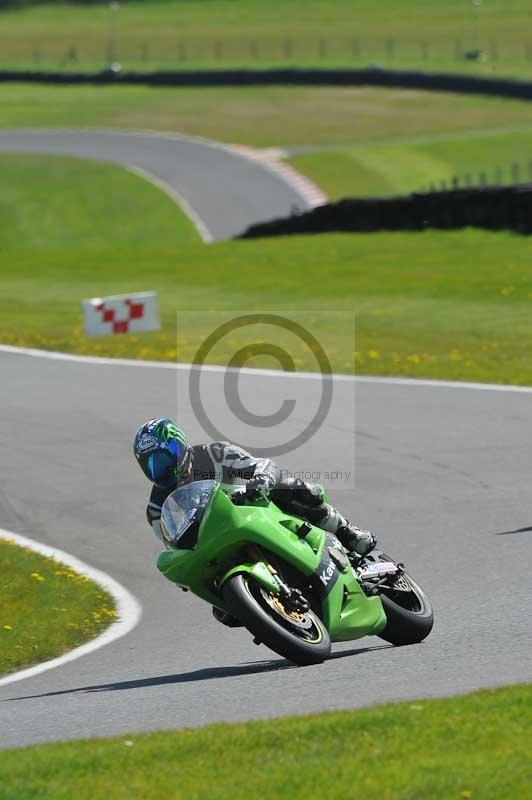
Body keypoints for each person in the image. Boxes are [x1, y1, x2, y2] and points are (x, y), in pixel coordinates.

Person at [133, 418, 376, 623]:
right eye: (153, 465)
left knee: (295, 489)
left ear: (180, 445)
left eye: (166, 457)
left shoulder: (212, 454)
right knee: (225, 613)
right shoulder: (156, 508)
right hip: (212, 538)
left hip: (254, 505)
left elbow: (260, 465)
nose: (162, 468)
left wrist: (260, 479)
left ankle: (347, 531)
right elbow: (171, 543)